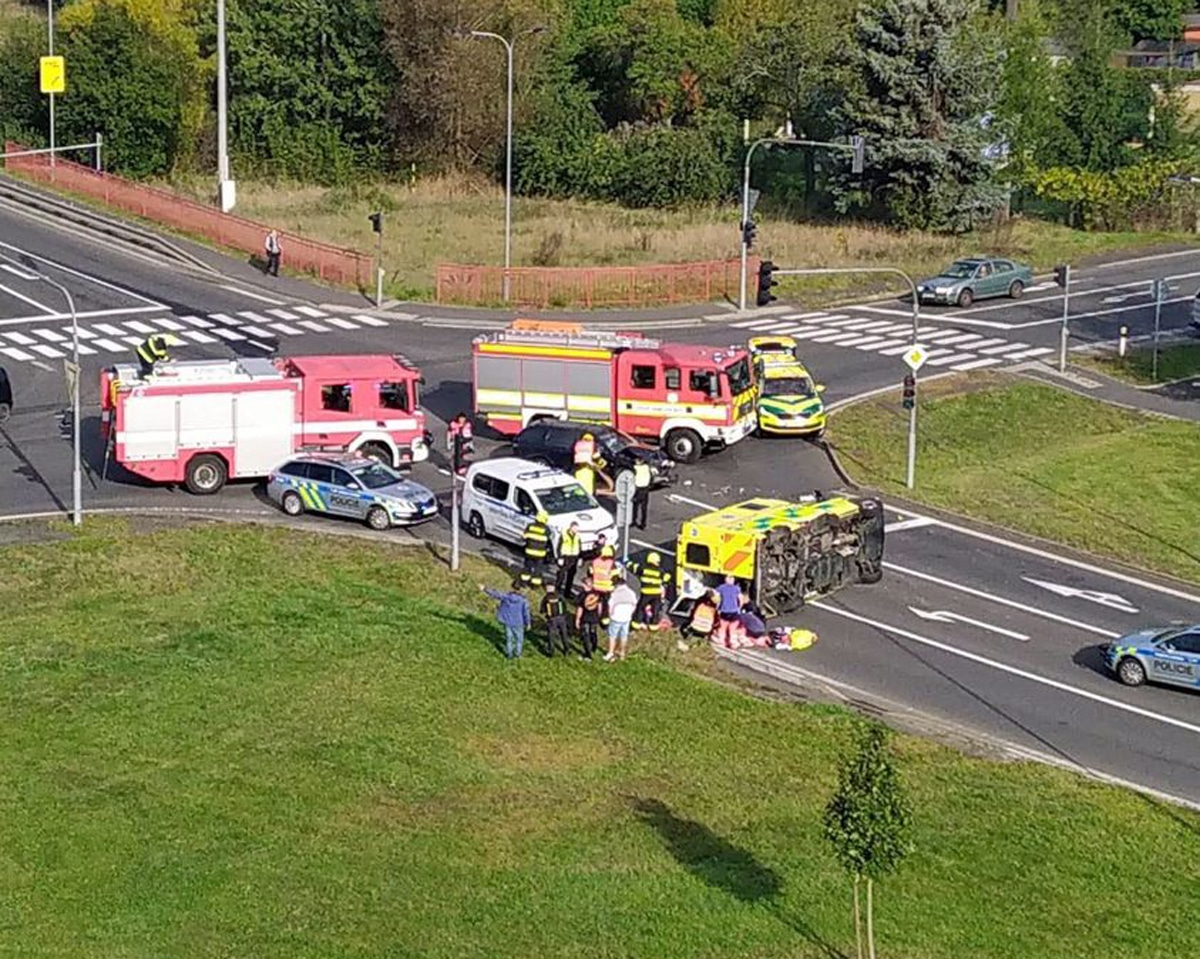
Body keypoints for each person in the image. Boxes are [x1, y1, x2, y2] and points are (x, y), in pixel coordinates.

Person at [480, 581, 532, 660]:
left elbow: (496, 594)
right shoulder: (523, 601)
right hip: (518, 623)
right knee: (519, 640)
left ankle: (509, 654)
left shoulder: (506, 597)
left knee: (509, 639)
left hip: (508, 621)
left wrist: (485, 589)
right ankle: (517, 654)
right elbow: (526, 613)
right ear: (520, 589)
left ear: (512, 587)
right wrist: (528, 623)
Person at [603, 574, 639, 662]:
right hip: (627, 618)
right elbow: (634, 605)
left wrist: (610, 615)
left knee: (612, 636)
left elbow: (610, 606)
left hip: (616, 617)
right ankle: (622, 653)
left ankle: (610, 653)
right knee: (624, 636)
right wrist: (630, 613)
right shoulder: (631, 593)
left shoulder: (615, 593)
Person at [633, 551, 666, 631]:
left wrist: (627, 563)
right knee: (655, 609)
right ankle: (653, 625)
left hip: (646, 592)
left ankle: (637, 623)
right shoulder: (660, 570)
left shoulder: (643, 568)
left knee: (640, 608)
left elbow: (635, 568)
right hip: (656, 593)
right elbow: (666, 578)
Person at [575, 577, 603, 661]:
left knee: (585, 635)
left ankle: (588, 655)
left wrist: (577, 619)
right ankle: (594, 647)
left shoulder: (582, 595)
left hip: (585, 618)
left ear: (585, 585)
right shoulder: (596, 594)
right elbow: (600, 607)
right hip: (594, 618)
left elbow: (580, 608)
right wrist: (599, 616)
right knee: (593, 633)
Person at [521, 511, 552, 587]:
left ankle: (524, 582)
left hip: (529, 551)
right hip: (540, 554)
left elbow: (524, 537)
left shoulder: (530, 526)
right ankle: (534, 585)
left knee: (527, 567)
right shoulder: (546, 529)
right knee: (538, 569)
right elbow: (548, 540)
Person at [540, 583, 572, 657]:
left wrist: (545, 613)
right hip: (561, 618)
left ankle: (551, 651)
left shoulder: (546, 598)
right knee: (564, 634)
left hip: (552, 619)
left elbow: (542, 610)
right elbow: (565, 606)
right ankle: (567, 649)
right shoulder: (560, 596)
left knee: (551, 635)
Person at [714, 574, 744, 649]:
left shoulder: (721, 587)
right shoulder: (737, 588)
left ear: (725, 580)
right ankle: (733, 643)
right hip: (734, 611)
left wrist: (717, 608)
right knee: (733, 628)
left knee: (722, 628)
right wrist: (739, 608)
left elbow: (716, 598)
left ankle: (721, 642)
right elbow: (741, 599)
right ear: (733, 580)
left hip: (724, 611)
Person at [589, 544, 616, 620]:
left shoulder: (595, 561)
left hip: (596, 586)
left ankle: (594, 616)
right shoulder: (611, 563)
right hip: (607, 588)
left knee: (595, 602)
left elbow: (590, 573)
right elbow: (615, 576)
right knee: (605, 604)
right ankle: (604, 619)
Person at [556, 520, 582, 594]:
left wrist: (580, 558)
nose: (576, 530)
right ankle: (557, 589)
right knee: (561, 574)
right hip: (565, 557)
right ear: (570, 527)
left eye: (577, 528)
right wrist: (560, 557)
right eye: (575, 528)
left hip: (574, 557)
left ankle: (567, 592)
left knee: (571, 576)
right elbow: (559, 547)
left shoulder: (578, 536)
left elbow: (579, 548)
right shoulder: (564, 535)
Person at [631, 460, 653, 530]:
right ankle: (643, 524)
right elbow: (651, 477)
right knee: (644, 508)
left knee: (635, 506)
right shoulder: (647, 467)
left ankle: (634, 521)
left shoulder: (635, 468)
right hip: (645, 489)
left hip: (638, 489)